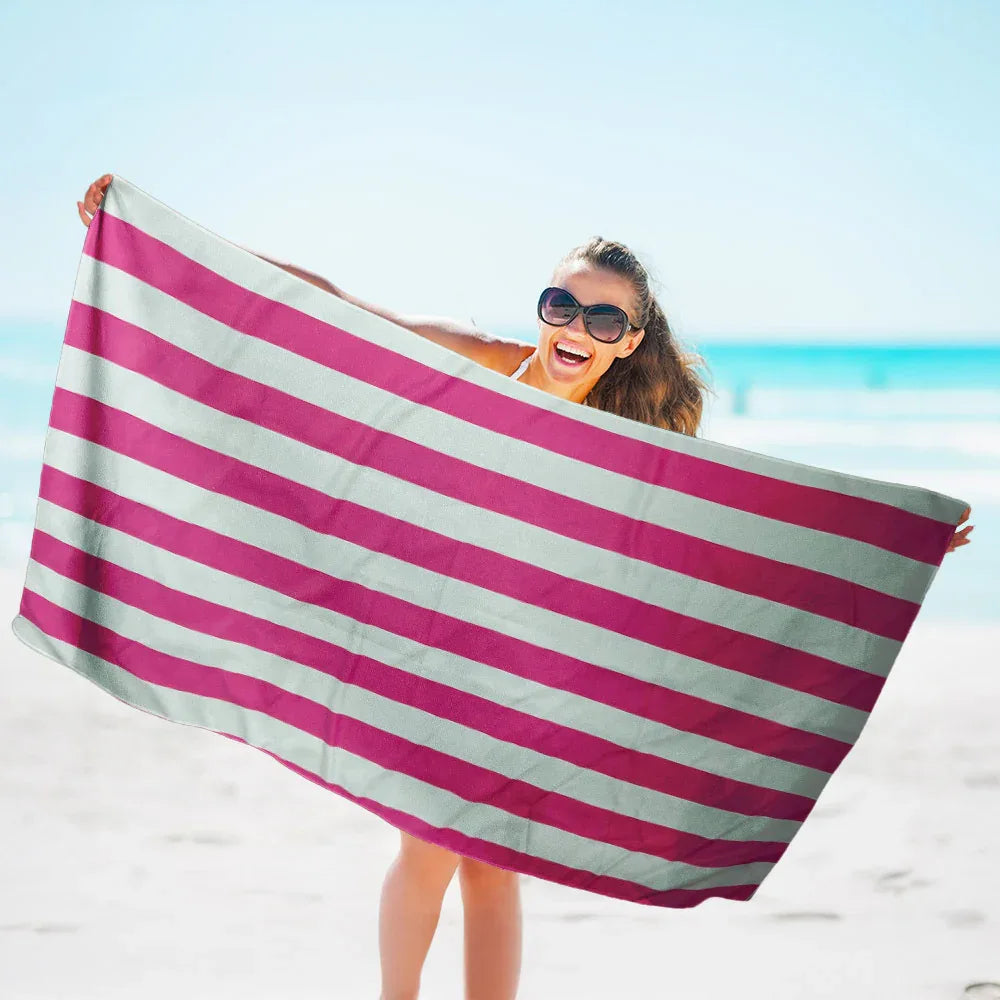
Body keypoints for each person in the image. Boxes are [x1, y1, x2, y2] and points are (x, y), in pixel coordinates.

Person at [78, 173, 975, 1000]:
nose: (577, 329)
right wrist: (166, 241)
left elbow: (740, 537)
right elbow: (336, 311)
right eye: (563, 306)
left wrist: (900, 543)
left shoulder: (636, 442)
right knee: (430, 851)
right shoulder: (484, 365)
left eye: (605, 319)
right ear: (542, 309)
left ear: (630, 341)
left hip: (534, 668)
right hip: (437, 650)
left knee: (495, 865)